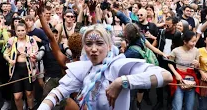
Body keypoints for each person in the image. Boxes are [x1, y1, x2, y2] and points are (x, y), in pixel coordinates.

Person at [38, 24, 173, 110]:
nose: (94, 49)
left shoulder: (118, 66)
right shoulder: (84, 69)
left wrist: (122, 82)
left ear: (109, 46)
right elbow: (57, 92)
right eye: (89, 44)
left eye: (99, 43)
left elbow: (165, 76)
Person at [3, 23, 38, 110]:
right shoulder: (11, 40)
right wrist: (9, 60)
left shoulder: (31, 40)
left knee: (29, 94)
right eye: (18, 31)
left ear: (26, 31)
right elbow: (5, 53)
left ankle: (30, 108)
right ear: (15, 31)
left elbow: (35, 53)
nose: (20, 33)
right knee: (17, 96)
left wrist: (27, 54)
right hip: (16, 69)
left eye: (22, 30)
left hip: (28, 69)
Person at [168, 31, 200, 110]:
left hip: (191, 79)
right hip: (179, 79)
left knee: (189, 107)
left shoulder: (196, 51)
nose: (194, 43)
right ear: (185, 41)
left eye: (195, 41)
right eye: (192, 41)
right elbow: (170, 63)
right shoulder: (176, 51)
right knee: (177, 107)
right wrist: (176, 74)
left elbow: (198, 67)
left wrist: (197, 64)